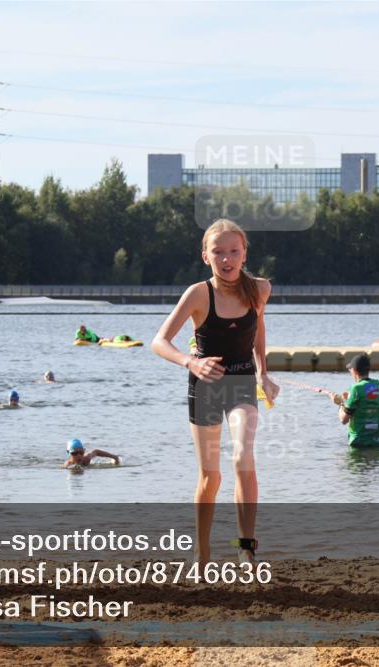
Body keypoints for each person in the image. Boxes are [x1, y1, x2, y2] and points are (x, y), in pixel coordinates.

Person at [151, 218, 278, 566]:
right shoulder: (198, 294)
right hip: (204, 387)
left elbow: (258, 329)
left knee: (242, 457)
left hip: (241, 383)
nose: (226, 258)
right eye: (218, 251)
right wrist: (191, 363)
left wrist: (264, 374)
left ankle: (245, 547)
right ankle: (202, 552)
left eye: (234, 251)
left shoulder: (260, 290)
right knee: (210, 477)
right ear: (205, 256)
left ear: (244, 253)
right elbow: (159, 342)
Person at [332, 354, 379, 448]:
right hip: (378, 444)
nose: (350, 372)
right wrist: (349, 400)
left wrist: (341, 403)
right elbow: (369, 404)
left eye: (350, 369)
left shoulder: (356, 388)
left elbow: (343, 419)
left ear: (354, 370)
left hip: (358, 445)